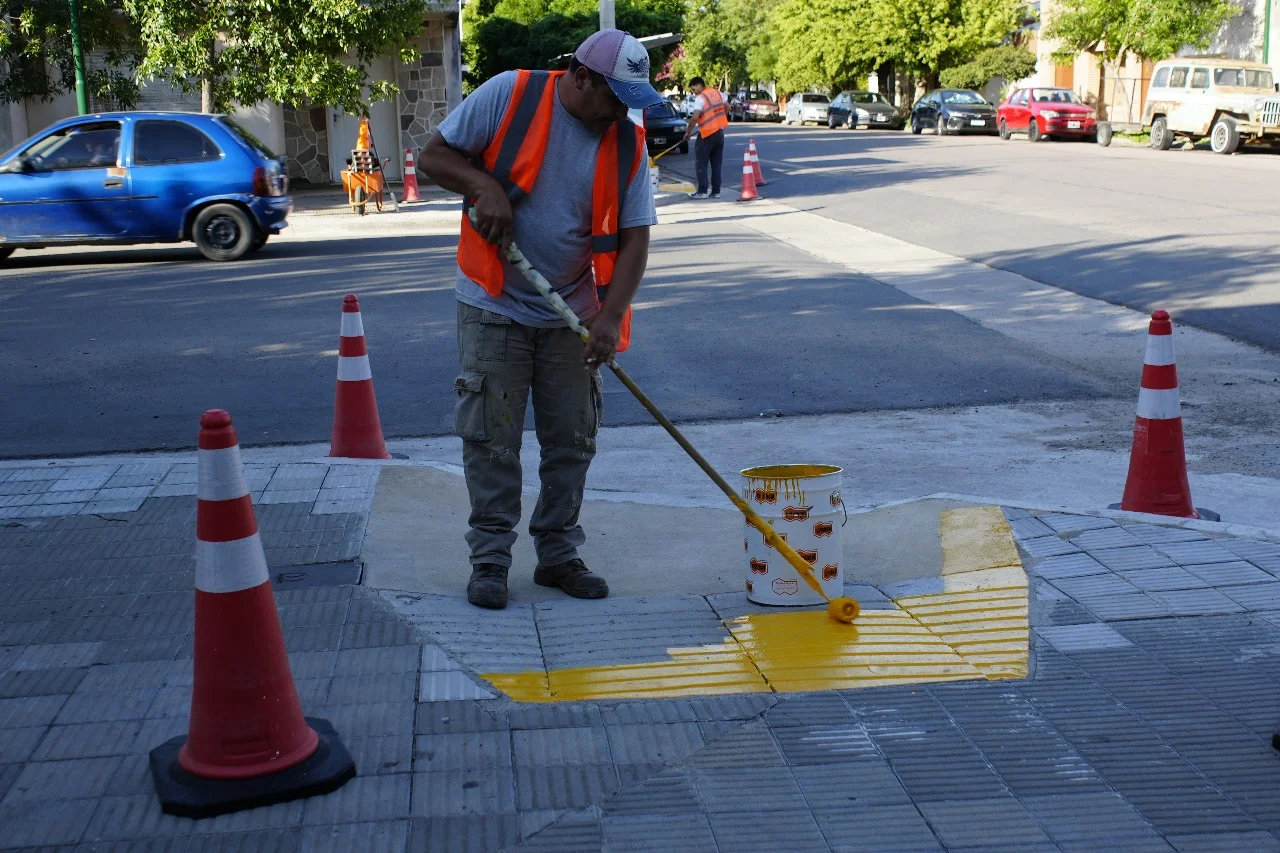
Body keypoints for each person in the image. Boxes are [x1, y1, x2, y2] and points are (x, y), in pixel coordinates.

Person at [419, 29, 660, 610]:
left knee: (572, 441)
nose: (620, 111)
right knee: (492, 440)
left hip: (571, 314)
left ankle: (557, 554)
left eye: (631, 100)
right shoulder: (510, 94)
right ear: (580, 76)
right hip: (494, 301)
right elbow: (433, 156)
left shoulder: (627, 144)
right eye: (613, 97)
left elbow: (634, 240)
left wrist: (610, 315)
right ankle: (491, 561)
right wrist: (483, 186)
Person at [683, 76, 728, 199]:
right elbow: (727, 107)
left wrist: (687, 132)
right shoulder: (717, 93)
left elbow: (694, 118)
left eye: (694, 89)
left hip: (707, 135)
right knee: (716, 164)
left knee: (701, 163)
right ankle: (716, 191)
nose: (694, 92)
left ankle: (702, 191)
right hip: (719, 133)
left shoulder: (700, 98)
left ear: (699, 85)